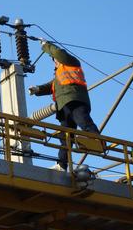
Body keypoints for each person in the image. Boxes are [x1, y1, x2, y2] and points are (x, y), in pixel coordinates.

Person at [28, 40, 100, 171]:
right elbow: (52, 85)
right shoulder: (59, 74)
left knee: (82, 120)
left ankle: (96, 139)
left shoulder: (71, 63)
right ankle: (62, 164)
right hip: (64, 106)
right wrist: (38, 89)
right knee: (65, 137)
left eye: (55, 58)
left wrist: (46, 45)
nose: (55, 61)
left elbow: (59, 53)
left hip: (74, 99)